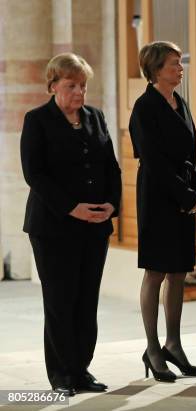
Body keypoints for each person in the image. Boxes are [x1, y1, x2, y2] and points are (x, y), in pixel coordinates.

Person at [20, 53, 121, 395]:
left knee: (86, 300)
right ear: (53, 86)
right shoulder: (38, 120)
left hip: (95, 225)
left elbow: (111, 166)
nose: (79, 92)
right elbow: (34, 173)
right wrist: (71, 208)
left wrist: (112, 204)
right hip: (53, 227)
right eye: (71, 86)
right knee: (60, 300)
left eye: (83, 85)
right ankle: (61, 374)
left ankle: (81, 369)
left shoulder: (95, 117)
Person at [129, 41, 196, 383]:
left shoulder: (180, 102)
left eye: (180, 63)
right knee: (156, 271)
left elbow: (192, 149)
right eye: (174, 63)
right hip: (158, 196)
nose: (180, 67)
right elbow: (154, 161)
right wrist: (187, 195)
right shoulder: (144, 107)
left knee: (179, 272)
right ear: (157, 69)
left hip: (184, 196)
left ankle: (174, 344)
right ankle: (153, 347)